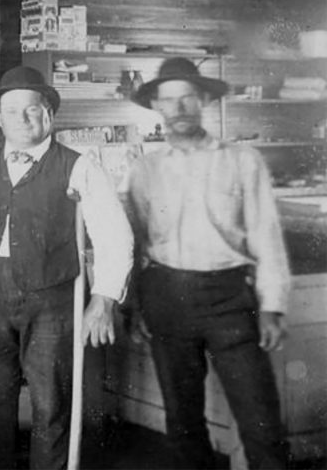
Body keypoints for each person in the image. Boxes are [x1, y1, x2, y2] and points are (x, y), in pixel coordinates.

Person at [0, 66, 133, 469]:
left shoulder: (80, 166)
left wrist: (105, 298)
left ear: (49, 115)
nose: (22, 119)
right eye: (12, 111)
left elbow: (115, 235)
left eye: (32, 110)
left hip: (53, 301)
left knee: (51, 406)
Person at [124, 58, 290, 469]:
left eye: (187, 99)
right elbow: (136, 243)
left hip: (231, 299)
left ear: (203, 102)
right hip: (166, 298)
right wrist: (137, 306)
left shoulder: (242, 161)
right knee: (183, 422)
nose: (178, 109)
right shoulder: (144, 170)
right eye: (169, 101)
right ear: (157, 108)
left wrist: (272, 306)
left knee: (261, 420)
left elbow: (267, 235)